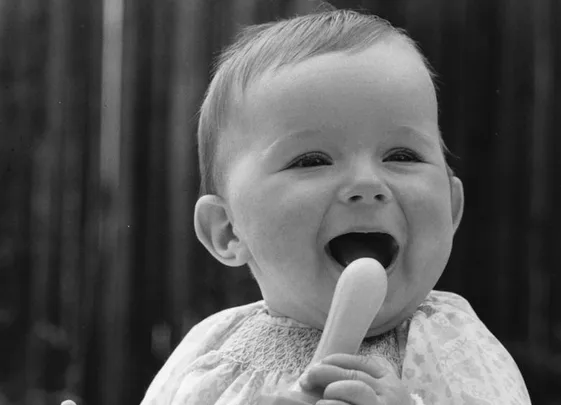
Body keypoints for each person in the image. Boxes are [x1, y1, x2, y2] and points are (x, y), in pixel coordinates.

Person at [140, 8, 531, 405]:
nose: (367, 184)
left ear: (450, 208)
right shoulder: (211, 353)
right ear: (227, 230)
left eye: (402, 155)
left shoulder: (455, 345)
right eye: (312, 161)